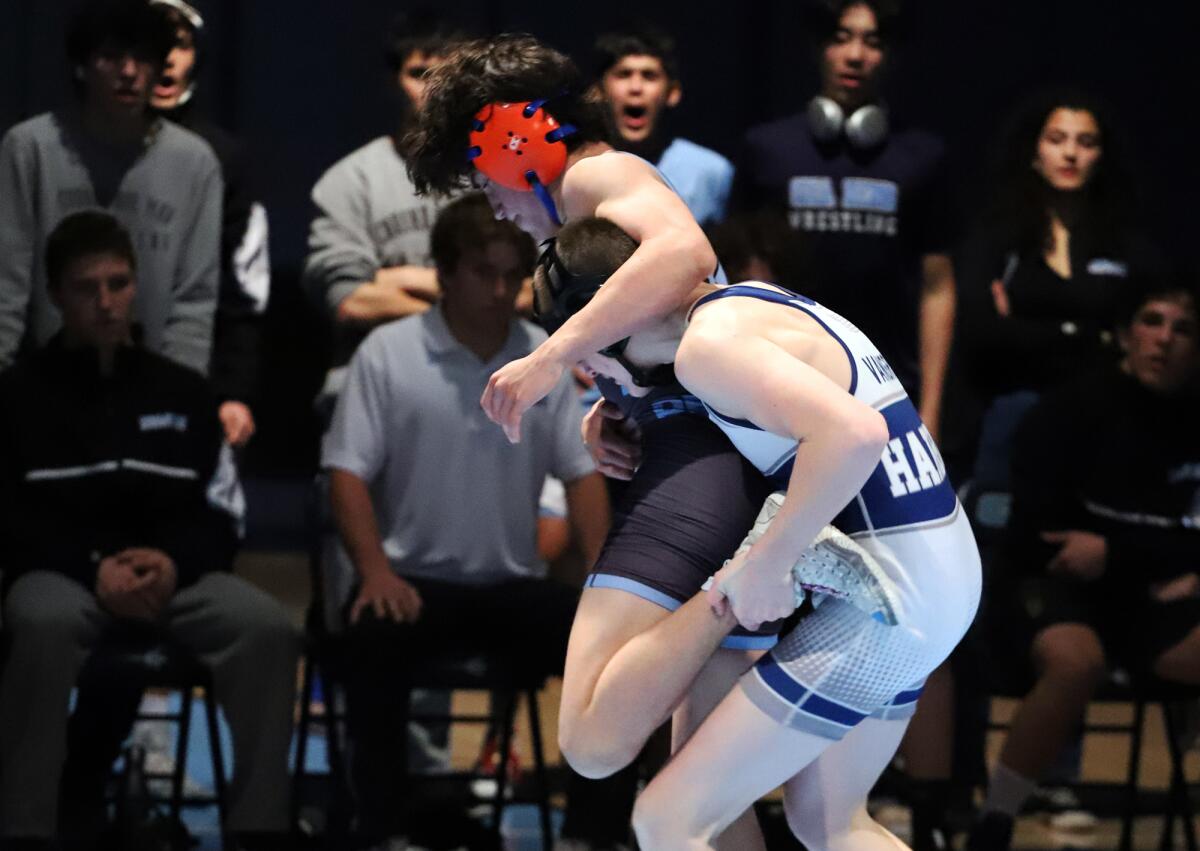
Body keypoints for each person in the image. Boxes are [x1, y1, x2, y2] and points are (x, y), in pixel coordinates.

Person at [404, 34, 792, 848]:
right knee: (702, 802)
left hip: (706, 466)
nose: (491, 201)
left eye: (483, 174)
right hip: (699, 448)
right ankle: (747, 577)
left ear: (515, 138)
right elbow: (665, 326)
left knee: (589, 737)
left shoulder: (594, 173)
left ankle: (740, 581)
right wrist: (616, 404)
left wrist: (546, 357)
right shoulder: (588, 197)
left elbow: (685, 254)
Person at [531, 215, 981, 851]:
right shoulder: (740, 308)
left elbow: (855, 435)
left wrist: (770, 560)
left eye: (583, 352)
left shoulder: (706, 352)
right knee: (830, 824)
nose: (590, 374)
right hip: (936, 576)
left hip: (889, 597)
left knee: (669, 821)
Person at [0, 211, 299, 851]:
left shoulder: (184, 391)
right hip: (64, 578)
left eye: (118, 283)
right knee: (40, 623)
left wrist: (170, 562)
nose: (106, 304)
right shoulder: (18, 397)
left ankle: (260, 829)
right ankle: (27, 830)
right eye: (88, 288)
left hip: (173, 578)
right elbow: (9, 518)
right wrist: (91, 571)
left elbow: (221, 515)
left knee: (267, 629)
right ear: (56, 295)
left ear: (136, 285)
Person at [321, 194, 613, 850]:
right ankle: (384, 827)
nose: (502, 288)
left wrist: (602, 581)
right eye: (485, 271)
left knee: (613, 647)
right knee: (371, 634)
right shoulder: (388, 353)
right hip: (412, 582)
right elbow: (345, 472)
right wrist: (373, 571)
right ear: (445, 273)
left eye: (513, 273)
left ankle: (591, 834)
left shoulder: (542, 356)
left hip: (509, 586)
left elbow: (583, 473)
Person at [965, 279, 1200, 851]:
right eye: (1151, 322)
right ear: (1124, 334)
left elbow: (1133, 545)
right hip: (1051, 587)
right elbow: (1051, 539)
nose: (1163, 340)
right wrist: (1156, 554)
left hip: (1152, 596)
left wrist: (1118, 551)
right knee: (1075, 661)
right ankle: (994, 824)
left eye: (1183, 329)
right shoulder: (1071, 409)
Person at [736, 0, 954, 440]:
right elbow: (737, 277)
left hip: (887, 387)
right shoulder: (767, 148)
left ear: (890, 55)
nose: (855, 55)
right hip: (782, 378)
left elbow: (937, 287)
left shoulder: (923, 157)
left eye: (872, 42)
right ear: (819, 48)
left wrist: (930, 412)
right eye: (841, 38)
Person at [0, 0, 222, 378]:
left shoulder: (194, 163)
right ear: (82, 66)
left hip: (153, 383)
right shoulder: (30, 149)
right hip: (47, 381)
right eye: (111, 57)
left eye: (144, 59)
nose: (129, 72)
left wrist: (178, 396)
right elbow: (7, 285)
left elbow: (194, 301)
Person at [948, 89, 1150, 484]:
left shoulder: (1127, 247)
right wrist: (1091, 335)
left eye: (1085, 142)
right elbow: (982, 335)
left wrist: (1024, 330)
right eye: (1057, 140)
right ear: (1034, 151)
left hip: (1101, 424)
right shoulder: (997, 240)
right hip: (1007, 421)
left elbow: (1142, 344)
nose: (1071, 154)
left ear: (1102, 155)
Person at [303, 10, 461, 401]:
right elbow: (352, 300)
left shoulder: (494, 178)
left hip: (476, 388)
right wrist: (472, 305)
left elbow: (528, 292)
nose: (434, 90)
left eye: (448, 78)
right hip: (375, 388)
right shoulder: (350, 180)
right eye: (420, 74)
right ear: (394, 81)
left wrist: (401, 278)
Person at [148, 0, 271, 448]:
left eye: (179, 44)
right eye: (152, 42)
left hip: (194, 373)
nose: (165, 57)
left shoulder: (221, 157)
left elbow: (244, 281)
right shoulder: (83, 145)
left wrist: (234, 391)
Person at [593, 25, 734, 225]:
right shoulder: (576, 167)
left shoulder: (711, 172)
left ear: (672, 92)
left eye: (649, 76)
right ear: (598, 91)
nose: (636, 87)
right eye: (623, 74)